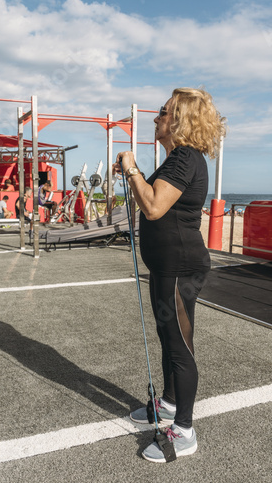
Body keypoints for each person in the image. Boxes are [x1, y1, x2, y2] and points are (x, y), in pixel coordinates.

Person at [114, 87, 226, 462]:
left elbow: (154, 207)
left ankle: (185, 430)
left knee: (179, 346)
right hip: (170, 265)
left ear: (178, 119)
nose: (155, 117)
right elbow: (151, 198)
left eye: (162, 111)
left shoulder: (183, 159)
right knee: (170, 337)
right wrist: (134, 175)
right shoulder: (178, 159)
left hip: (179, 267)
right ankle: (169, 404)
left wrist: (131, 167)